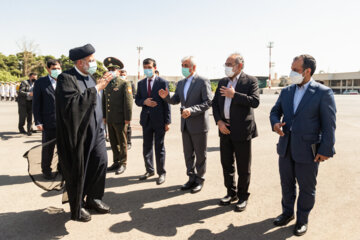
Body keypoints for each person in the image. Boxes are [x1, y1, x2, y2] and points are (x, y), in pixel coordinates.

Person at [270, 54, 336, 236]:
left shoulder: (323, 93)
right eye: (291, 68)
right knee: (286, 184)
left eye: (296, 70)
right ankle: (287, 213)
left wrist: (326, 149)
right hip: (286, 147)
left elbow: (329, 125)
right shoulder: (286, 91)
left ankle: (302, 220)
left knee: (307, 187)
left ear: (307, 71)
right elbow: (275, 111)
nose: (292, 73)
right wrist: (275, 123)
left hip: (308, 150)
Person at [56, 43, 113, 222]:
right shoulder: (66, 78)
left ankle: (94, 198)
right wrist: (97, 88)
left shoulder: (90, 77)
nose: (94, 63)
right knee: (79, 169)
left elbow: (95, 103)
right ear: (80, 62)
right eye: (91, 60)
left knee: (100, 162)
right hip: (78, 135)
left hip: (96, 131)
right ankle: (78, 205)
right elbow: (72, 106)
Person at [212, 53, 259, 212]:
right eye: (225, 63)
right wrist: (219, 121)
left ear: (239, 65)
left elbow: (254, 101)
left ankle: (243, 196)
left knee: (243, 166)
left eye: (229, 64)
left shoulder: (250, 81)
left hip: (242, 130)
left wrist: (235, 95)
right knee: (227, 163)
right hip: (224, 129)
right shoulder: (223, 82)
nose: (226, 66)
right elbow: (215, 104)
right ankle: (230, 193)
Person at [159, 56, 212, 193]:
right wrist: (166, 97)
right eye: (182, 65)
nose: (183, 67)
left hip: (199, 124)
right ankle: (191, 177)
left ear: (193, 67)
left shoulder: (202, 81)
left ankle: (200, 179)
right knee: (188, 154)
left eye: (186, 65)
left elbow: (208, 102)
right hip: (185, 125)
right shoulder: (181, 83)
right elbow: (176, 99)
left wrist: (191, 110)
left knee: (200, 154)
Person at [135, 58, 171, 185]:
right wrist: (144, 101)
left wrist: (168, 121)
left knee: (159, 147)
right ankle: (149, 170)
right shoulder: (140, 83)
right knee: (147, 146)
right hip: (146, 120)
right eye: (145, 67)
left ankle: (161, 173)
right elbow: (137, 100)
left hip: (159, 120)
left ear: (155, 68)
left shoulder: (162, 82)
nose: (147, 70)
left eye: (149, 67)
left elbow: (167, 102)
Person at [103, 57, 133, 175]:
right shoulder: (107, 84)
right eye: (109, 69)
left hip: (120, 119)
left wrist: (128, 119)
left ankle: (123, 163)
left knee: (122, 142)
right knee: (113, 142)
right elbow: (104, 101)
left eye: (113, 69)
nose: (111, 71)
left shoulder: (124, 83)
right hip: (110, 118)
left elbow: (128, 102)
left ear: (119, 71)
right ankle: (115, 162)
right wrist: (105, 116)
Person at [32, 59, 62, 180]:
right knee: (48, 148)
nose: (57, 71)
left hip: (63, 122)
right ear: (48, 69)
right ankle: (46, 170)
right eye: (54, 69)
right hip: (48, 122)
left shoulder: (64, 81)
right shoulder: (40, 82)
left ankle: (62, 168)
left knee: (63, 148)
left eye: (59, 68)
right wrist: (38, 121)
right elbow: (36, 104)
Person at [121, 70, 136, 150]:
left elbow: (133, 94)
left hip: (126, 108)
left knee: (128, 127)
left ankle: (128, 142)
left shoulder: (130, 84)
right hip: (118, 109)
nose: (122, 76)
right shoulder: (118, 84)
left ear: (126, 76)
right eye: (121, 74)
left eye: (123, 75)